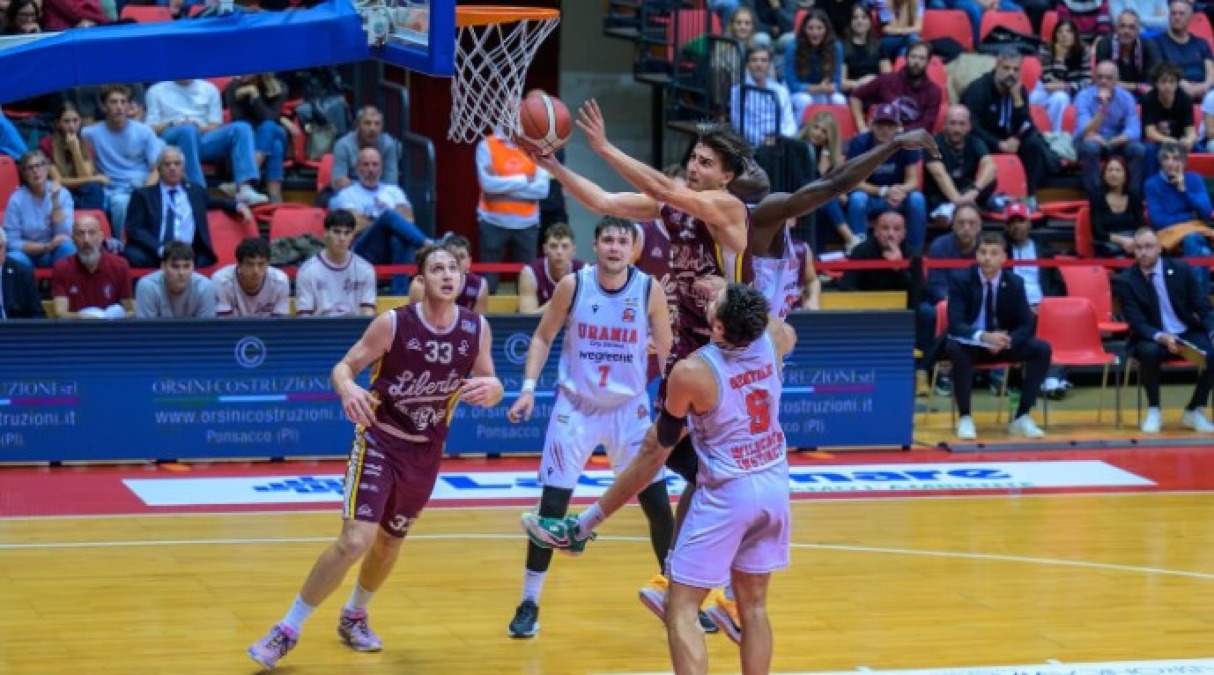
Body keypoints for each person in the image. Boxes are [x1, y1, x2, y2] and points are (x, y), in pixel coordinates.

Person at [534, 101, 936, 636]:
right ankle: (699, 584)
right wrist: (555, 167)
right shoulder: (686, 208)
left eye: (711, 162)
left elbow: (831, 183)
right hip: (702, 352)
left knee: (677, 458)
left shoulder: (749, 212)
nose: (698, 168)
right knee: (691, 469)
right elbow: (610, 200)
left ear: (730, 181)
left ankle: (624, 549)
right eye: (695, 158)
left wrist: (889, 145)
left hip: (731, 357)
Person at [247, 244, 504, 669]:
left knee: (390, 541)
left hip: (426, 451)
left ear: (462, 278)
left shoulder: (476, 329)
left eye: (453, 268)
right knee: (354, 541)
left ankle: (354, 615)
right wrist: (348, 388)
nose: (446, 275)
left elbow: (488, 379)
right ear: (420, 279)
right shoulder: (393, 324)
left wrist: (495, 390)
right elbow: (343, 368)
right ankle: (286, 630)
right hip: (380, 441)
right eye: (436, 268)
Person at [522, 282, 797, 675]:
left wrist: (589, 521)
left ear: (718, 329)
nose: (710, 298)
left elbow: (655, 452)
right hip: (774, 484)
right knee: (753, 606)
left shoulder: (692, 372)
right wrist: (732, 291)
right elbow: (780, 325)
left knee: (680, 606)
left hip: (729, 493)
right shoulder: (774, 339)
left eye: (716, 303)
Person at [505, 217, 675, 639]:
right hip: (576, 407)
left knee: (657, 504)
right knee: (551, 508)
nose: (615, 248)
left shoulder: (648, 289)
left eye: (623, 241)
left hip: (628, 409)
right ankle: (529, 602)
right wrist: (528, 388)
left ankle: (678, 596)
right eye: (608, 240)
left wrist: (671, 403)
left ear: (633, 248)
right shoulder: (573, 285)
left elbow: (670, 351)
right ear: (595, 245)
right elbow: (543, 337)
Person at [944, 232, 1053, 440]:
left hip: (1003, 344)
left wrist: (1006, 340)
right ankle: (965, 416)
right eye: (983, 252)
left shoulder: (1015, 283)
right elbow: (955, 324)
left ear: (1003, 258)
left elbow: (1027, 323)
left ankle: (1022, 416)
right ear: (976, 256)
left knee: (1041, 349)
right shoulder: (961, 280)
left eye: (993, 253)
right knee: (955, 349)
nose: (987, 258)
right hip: (972, 344)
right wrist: (985, 337)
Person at [1112, 227, 1214, 433]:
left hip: (1185, 332)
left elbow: (1202, 306)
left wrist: (1212, 330)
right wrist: (1161, 337)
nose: (1143, 252)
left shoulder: (1181, 270)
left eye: (1148, 247)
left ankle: (1194, 409)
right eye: (1138, 248)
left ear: (1159, 248)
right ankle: (1154, 409)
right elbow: (1136, 322)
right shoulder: (1126, 280)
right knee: (1148, 352)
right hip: (1150, 336)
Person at [408, 234, 488, 313]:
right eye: (453, 255)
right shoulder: (421, 284)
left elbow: (478, 322)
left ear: (469, 262)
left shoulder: (479, 285)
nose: (458, 261)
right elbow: (414, 320)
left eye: (462, 256)